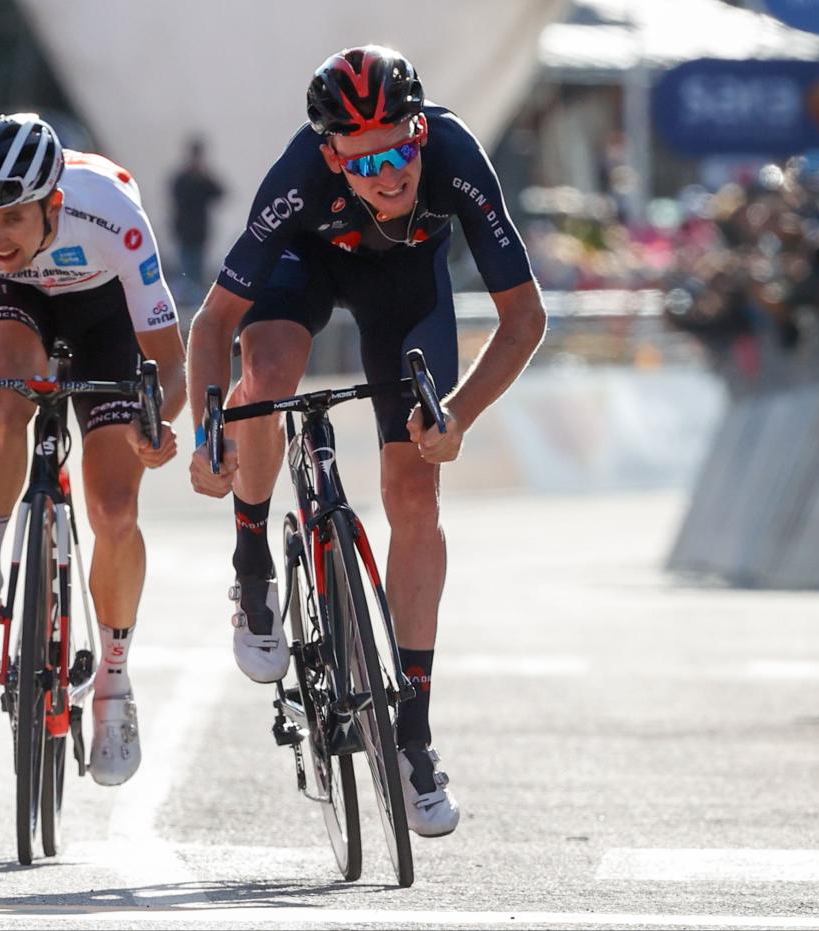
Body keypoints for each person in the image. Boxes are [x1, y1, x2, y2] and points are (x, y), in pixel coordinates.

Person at [186, 47, 546, 837]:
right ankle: (252, 562)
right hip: (301, 269)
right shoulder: (298, 178)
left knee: (415, 488)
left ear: (421, 131)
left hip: (406, 288)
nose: (391, 175)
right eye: (366, 159)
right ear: (332, 158)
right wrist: (209, 429)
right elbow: (213, 323)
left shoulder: (453, 157)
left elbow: (525, 318)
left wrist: (460, 413)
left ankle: (413, 733)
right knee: (270, 371)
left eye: (402, 147)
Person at [0, 113, 186, 788]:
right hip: (16, 307)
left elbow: (170, 366)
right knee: (8, 391)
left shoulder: (111, 212)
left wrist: (156, 425)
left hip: (107, 314)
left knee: (115, 509)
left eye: (9, 219)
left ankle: (115, 685)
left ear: (53, 203)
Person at [169, 137, 224, 305]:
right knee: (187, 267)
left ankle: (194, 300)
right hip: (186, 230)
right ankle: (188, 299)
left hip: (198, 230)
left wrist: (205, 175)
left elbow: (219, 193)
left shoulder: (201, 178)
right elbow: (176, 197)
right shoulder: (183, 178)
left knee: (197, 267)